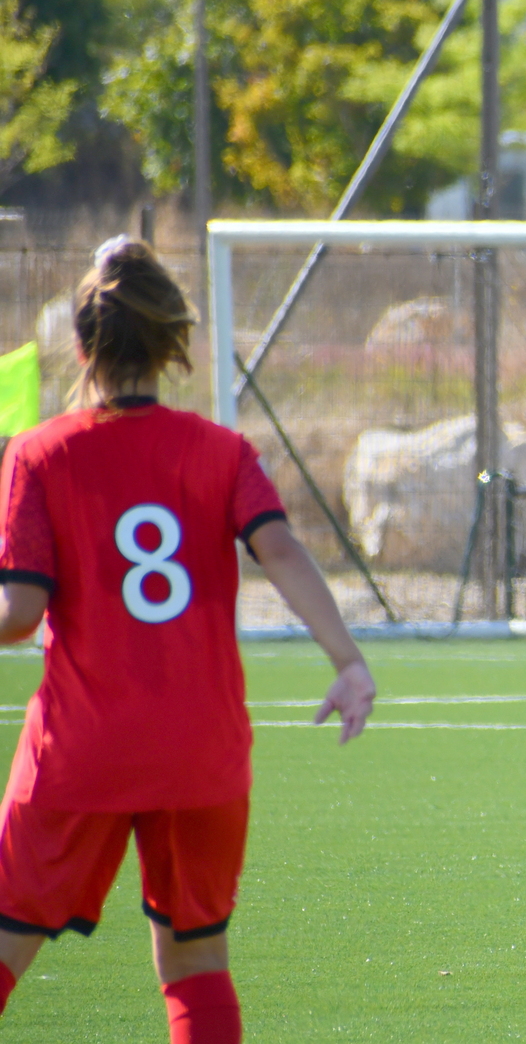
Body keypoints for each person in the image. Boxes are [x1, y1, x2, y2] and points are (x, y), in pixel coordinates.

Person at [0, 237, 376, 1042]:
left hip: (82, 746)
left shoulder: (40, 454)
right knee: (196, 959)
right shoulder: (221, 451)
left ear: (81, 344)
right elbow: (281, 550)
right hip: (199, 749)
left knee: (6, 939)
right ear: (175, 346)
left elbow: (20, 612)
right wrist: (347, 661)